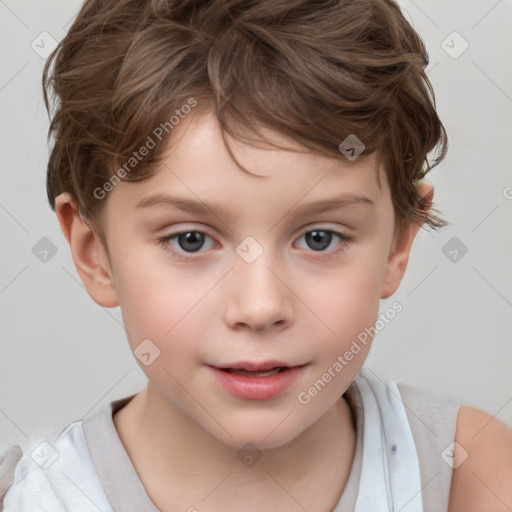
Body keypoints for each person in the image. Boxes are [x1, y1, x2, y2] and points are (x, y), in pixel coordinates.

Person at [1, 0, 511, 510]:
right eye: (191, 240)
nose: (260, 307)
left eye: (320, 238)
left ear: (399, 242)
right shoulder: (32, 499)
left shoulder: (470, 474)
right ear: (95, 253)